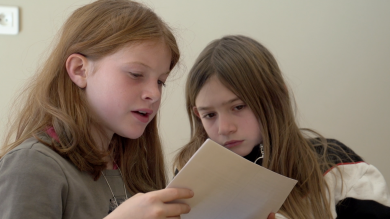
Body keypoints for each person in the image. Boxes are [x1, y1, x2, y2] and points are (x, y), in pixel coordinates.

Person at [0, 0, 194, 218]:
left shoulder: (132, 167)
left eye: (160, 81)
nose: (154, 94)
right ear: (80, 70)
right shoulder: (33, 164)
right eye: (136, 74)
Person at [173, 35, 390, 218]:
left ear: (277, 97)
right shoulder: (189, 174)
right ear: (197, 115)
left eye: (238, 107)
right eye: (209, 114)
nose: (224, 128)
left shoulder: (336, 165)